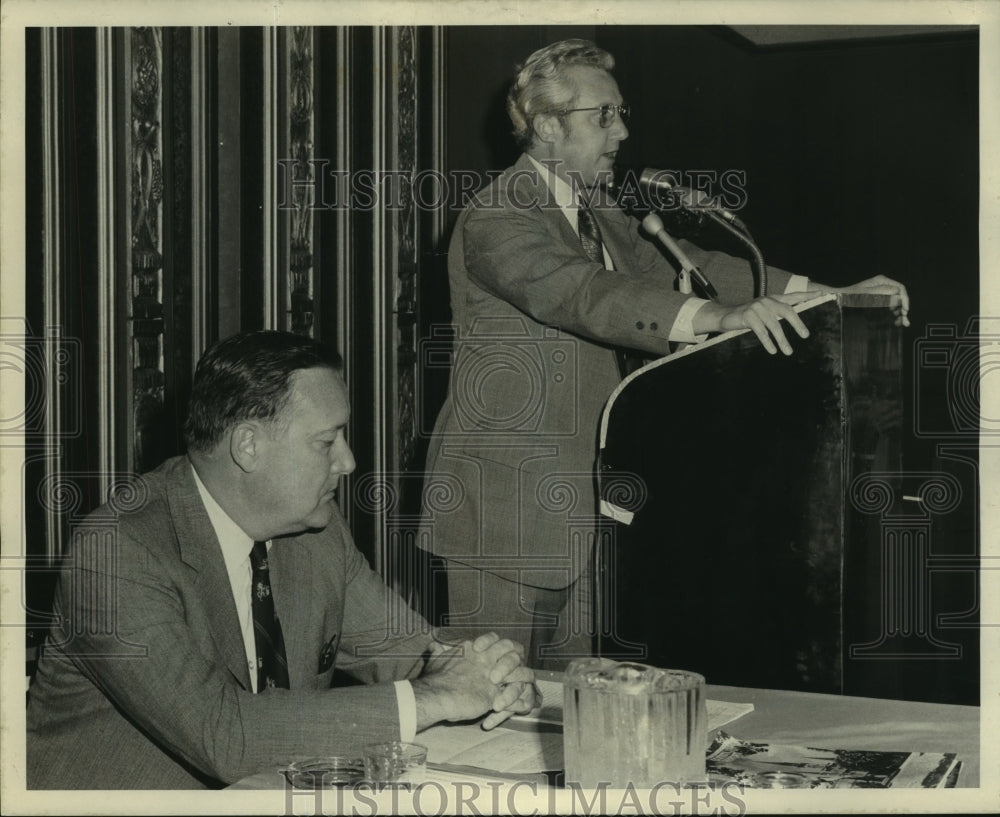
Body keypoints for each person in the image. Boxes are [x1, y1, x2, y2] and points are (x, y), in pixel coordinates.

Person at [420, 38, 910, 669]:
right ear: (545, 126)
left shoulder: (597, 209)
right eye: (603, 116)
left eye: (621, 113)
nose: (621, 130)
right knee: (488, 699)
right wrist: (720, 318)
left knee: (568, 710)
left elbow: (692, 265)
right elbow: (583, 293)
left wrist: (832, 293)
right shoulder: (500, 212)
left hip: (586, 507)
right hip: (505, 515)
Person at [26, 330, 537, 789]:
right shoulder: (116, 553)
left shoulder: (315, 532)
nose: (348, 461)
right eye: (326, 441)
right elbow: (226, 737)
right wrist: (441, 696)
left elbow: (410, 651)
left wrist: (485, 672)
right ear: (248, 445)